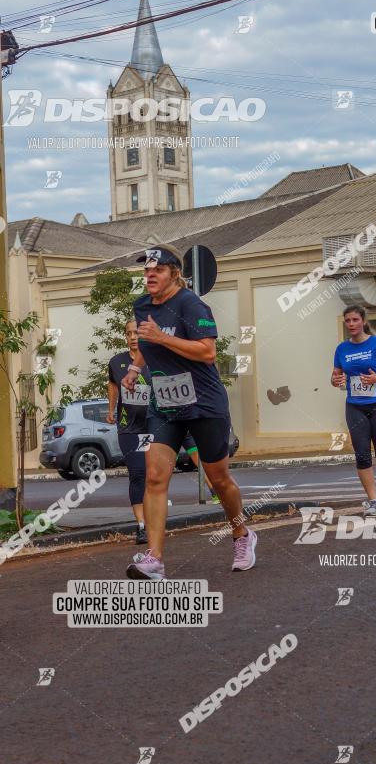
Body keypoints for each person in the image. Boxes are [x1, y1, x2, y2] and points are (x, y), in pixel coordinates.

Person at [120, 244, 257, 579]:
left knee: (219, 479)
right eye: (146, 271)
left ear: (174, 273)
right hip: (166, 404)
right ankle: (154, 559)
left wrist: (162, 340)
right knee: (154, 476)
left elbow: (207, 352)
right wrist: (136, 369)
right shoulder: (142, 306)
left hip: (204, 403)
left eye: (158, 270)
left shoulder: (191, 304)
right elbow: (147, 343)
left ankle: (242, 534)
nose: (150, 275)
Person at [331, 304, 376, 517]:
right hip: (355, 406)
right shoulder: (342, 349)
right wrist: (335, 380)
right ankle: (373, 501)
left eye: (355, 320)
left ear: (363, 321)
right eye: (348, 321)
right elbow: (335, 376)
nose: (351, 324)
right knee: (362, 455)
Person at [107, 320, 151, 544]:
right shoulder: (116, 362)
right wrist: (111, 409)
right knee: (138, 473)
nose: (133, 337)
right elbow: (113, 385)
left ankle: (153, 519)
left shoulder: (154, 359)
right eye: (129, 333)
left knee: (152, 475)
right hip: (128, 428)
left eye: (136, 333)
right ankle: (141, 526)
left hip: (152, 427)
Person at [182, 434, 220, 504]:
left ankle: (215, 493)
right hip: (171, 431)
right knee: (167, 464)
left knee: (200, 465)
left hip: (186, 434)